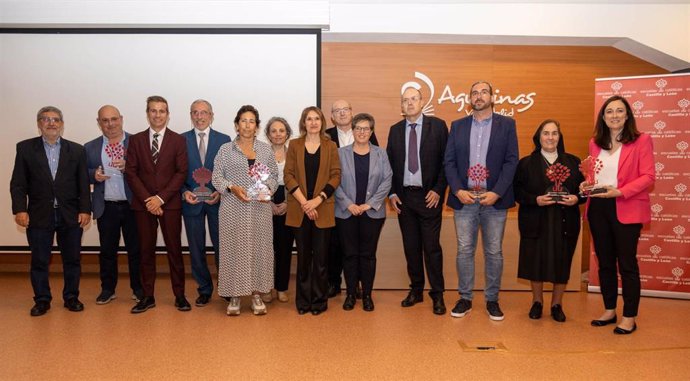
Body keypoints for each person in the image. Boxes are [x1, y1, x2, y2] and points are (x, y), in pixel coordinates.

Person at [444, 81, 519, 321]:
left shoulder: (507, 125)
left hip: (493, 200)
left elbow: (511, 161)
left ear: (492, 97)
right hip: (465, 199)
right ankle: (465, 298)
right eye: (474, 93)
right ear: (469, 98)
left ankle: (492, 300)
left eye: (483, 92)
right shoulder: (457, 126)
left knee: (494, 251)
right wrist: (457, 190)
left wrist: (497, 192)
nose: (479, 96)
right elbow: (449, 162)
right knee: (464, 250)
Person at [10, 106, 91, 316]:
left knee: (72, 259)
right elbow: (18, 184)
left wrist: (85, 210)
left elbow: (83, 183)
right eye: (46, 119)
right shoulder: (25, 149)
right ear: (39, 124)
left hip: (70, 214)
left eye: (56, 120)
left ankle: (71, 297)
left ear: (62, 124)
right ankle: (42, 300)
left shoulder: (77, 150)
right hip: (38, 214)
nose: (51, 123)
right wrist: (20, 209)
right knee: (39, 260)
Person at [585, 95, 654, 335]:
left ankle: (629, 316)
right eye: (609, 111)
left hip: (626, 206)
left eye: (619, 111)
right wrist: (587, 184)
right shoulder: (595, 143)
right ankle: (609, 309)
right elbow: (595, 174)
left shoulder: (641, 141)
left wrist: (620, 191)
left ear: (627, 116)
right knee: (604, 263)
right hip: (598, 208)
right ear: (603, 117)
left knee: (627, 265)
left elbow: (648, 177)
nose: (614, 115)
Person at [514, 119, 584, 322]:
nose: (550, 137)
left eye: (554, 133)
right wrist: (535, 200)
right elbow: (517, 192)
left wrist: (576, 199)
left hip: (565, 220)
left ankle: (557, 304)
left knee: (562, 262)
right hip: (535, 218)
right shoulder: (526, 163)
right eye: (546, 133)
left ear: (559, 137)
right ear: (539, 137)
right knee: (535, 261)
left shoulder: (573, 162)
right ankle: (537, 302)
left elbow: (584, 191)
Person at [125, 95, 190, 313]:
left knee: (174, 250)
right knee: (145, 251)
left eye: (162, 111)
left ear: (168, 115)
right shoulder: (135, 140)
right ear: (147, 114)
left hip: (169, 204)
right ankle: (147, 296)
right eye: (153, 111)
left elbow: (181, 172)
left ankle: (180, 295)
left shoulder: (178, 140)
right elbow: (131, 173)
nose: (158, 115)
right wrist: (149, 200)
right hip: (143, 206)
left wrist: (160, 198)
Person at [212, 105, 278, 316]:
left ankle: (257, 294)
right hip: (233, 208)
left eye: (252, 121)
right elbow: (216, 178)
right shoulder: (225, 150)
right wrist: (232, 187)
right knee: (233, 251)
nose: (247, 125)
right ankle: (234, 296)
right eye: (243, 121)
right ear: (236, 125)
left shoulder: (266, 150)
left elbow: (274, 177)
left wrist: (267, 189)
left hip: (259, 210)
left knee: (260, 250)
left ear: (257, 127)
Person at [387, 87, 448, 315]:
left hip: (429, 197)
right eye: (405, 100)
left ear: (422, 102)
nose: (410, 103)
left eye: (414, 99)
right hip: (404, 198)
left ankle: (438, 294)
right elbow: (390, 166)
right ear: (401, 106)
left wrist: (438, 190)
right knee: (411, 247)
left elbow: (446, 161)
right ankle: (416, 290)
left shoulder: (438, 126)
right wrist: (392, 193)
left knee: (432, 248)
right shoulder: (395, 130)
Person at [85, 105, 144, 305]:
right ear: (99, 123)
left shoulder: (137, 142)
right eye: (105, 120)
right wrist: (93, 174)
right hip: (106, 206)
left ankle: (139, 288)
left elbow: (149, 172)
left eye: (114, 119)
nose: (110, 124)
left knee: (136, 250)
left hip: (132, 205)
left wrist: (130, 168)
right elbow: (81, 173)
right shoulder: (90, 147)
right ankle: (107, 289)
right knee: (107, 251)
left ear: (121, 119)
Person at [285, 106, 341, 315]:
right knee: (303, 259)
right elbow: (288, 175)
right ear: (303, 123)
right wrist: (304, 203)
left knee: (321, 260)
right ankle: (303, 302)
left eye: (317, 118)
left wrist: (317, 201)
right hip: (300, 210)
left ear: (322, 122)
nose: (313, 122)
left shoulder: (330, 146)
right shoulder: (294, 145)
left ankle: (319, 301)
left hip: (322, 209)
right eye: (309, 119)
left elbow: (336, 175)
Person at [335, 113, 392, 311]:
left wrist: (370, 204)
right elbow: (333, 181)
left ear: (371, 131)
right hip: (346, 212)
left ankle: (367, 294)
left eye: (366, 128)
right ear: (352, 131)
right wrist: (349, 203)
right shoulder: (340, 153)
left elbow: (387, 181)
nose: (362, 132)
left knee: (368, 255)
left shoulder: (380, 153)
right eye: (358, 128)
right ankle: (351, 294)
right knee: (349, 254)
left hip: (372, 213)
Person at [325, 99, 379, 298]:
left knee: (359, 248)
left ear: (351, 112)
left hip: (363, 203)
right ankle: (334, 282)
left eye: (345, 109)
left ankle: (356, 285)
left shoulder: (367, 135)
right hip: (336, 201)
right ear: (331, 116)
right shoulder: (326, 136)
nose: (341, 113)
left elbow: (378, 168)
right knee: (335, 244)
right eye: (336, 111)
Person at [181, 99, 231, 307]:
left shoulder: (224, 140)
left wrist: (221, 191)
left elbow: (230, 172)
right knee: (196, 248)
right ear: (190, 115)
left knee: (223, 247)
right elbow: (175, 172)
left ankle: (227, 288)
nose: (199, 117)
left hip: (218, 202)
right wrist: (184, 192)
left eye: (204, 113)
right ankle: (204, 289)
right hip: (191, 203)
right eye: (195, 113)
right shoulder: (180, 140)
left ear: (212, 115)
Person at [265, 117, 294, 303]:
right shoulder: (261, 154)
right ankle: (266, 288)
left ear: (287, 134)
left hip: (289, 200)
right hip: (264, 202)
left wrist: (289, 203)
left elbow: (299, 179)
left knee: (284, 248)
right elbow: (255, 181)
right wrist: (268, 202)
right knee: (266, 249)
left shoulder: (294, 153)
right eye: (274, 131)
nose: (278, 134)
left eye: (281, 130)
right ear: (268, 134)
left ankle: (282, 287)